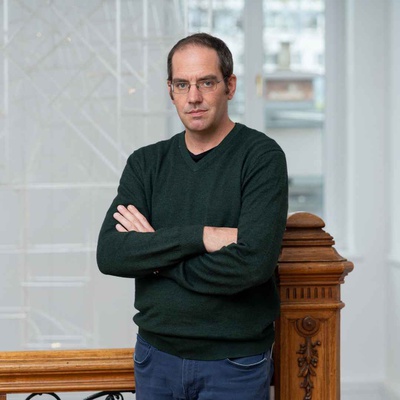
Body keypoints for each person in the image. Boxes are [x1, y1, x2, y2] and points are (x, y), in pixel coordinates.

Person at [97, 32, 288, 400]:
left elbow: (253, 265)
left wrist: (156, 259)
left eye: (207, 82)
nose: (194, 97)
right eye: (182, 84)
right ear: (170, 90)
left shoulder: (261, 157)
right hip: (155, 356)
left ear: (230, 86)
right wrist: (203, 237)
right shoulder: (146, 163)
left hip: (234, 362)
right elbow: (111, 254)